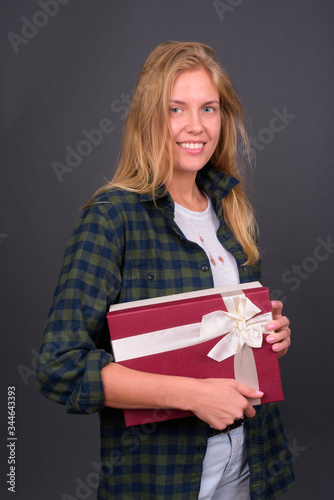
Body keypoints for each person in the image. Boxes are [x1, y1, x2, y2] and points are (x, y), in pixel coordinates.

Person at [36, 41, 294, 499]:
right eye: (176, 108)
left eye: (208, 108)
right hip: (163, 480)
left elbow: (226, 339)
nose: (195, 126)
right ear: (148, 118)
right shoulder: (111, 218)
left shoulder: (231, 212)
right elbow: (60, 367)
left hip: (251, 467)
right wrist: (193, 396)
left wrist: (266, 333)